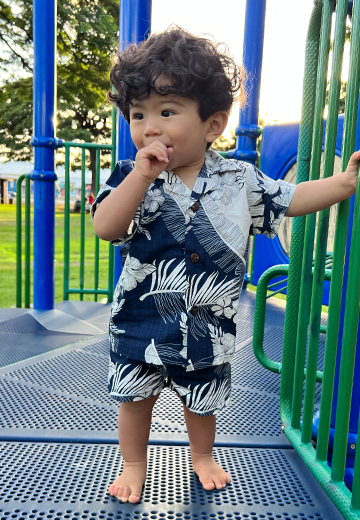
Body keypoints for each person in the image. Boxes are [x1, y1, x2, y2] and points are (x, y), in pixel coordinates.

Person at [92, 26, 360, 504]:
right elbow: (106, 226)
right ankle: (134, 462)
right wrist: (139, 176)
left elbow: (292, 198)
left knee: (203, 400)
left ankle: (201, 455)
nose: (149, 127)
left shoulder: (240, 180)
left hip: (208, 328)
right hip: (139, 323)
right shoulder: (131, 176)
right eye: (138, 115)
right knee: (134, 400)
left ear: (213, 124)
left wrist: (343, 184)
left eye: (167, 112)